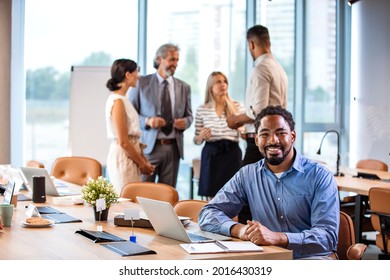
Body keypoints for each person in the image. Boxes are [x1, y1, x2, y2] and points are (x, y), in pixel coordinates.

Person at [199, 105, 340, 259]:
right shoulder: (247, 175)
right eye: (265, 134)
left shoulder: (320, 176)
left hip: (311, 260)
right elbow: (208, 214)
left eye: (281, 133)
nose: (273, 140)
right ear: (257, 139)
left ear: (293, 136)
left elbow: (327, 237)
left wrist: (277, 238)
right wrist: (239, 230)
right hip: (268, 258)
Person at [227, 24, 288, 222]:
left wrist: (235, 119)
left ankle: (247, 245)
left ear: (251, 44)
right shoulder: (279, 68)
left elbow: (259, 111)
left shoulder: (261, 68)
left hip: (259, 143)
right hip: (277, 141)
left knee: (246, 195)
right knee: (266, 193)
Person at [129, 43, 193, 188]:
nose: (175, 64)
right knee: (143, 192)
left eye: (177, 60)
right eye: (172, 59)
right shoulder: (141, 83)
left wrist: (185, 122)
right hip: (148, 149)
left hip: (173, 149)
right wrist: (147, 121)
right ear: (159, 60)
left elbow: (189, 116)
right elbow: (130, 116)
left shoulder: (184, 87)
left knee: (168, 195)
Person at [105, 59, 154, 195]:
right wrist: (142, 164)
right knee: (127, 200)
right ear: (127, 75)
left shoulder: (124, 100)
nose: (138, 76)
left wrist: (143, 160)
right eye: (136, 72)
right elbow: (123, 142)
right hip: (123, 157)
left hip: (130, 156)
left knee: (132, 199)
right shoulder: (118, 101)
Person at [194, 71, 245, 200]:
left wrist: (241, 129)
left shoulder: (237, 107)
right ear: (210, 86)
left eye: (225, 81)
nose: (223, 84)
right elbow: (196, 140)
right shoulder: (202, 109)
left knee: (233, 195)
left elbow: (245, 133)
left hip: (232, 153)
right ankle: (211, 220)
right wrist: (201, 136)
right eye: (218, 82)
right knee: (211, 197)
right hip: (211, 154)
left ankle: (232, 221)